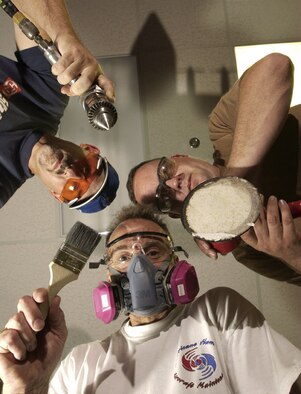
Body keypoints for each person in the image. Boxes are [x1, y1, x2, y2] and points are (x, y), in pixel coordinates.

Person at [0, 204, 301, 393]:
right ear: (108, 277)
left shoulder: (216, 314)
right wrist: (27, 388)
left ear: (175, 264)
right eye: (123, 256)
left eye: (153, 251)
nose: (138, 265)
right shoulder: (81, 364)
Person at [126, 52, 301, 283]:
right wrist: (292, 253)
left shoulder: (223, 128)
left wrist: (230, 186)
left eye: (165, 170)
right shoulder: (247, 248)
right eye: (163, 196)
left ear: (181, 156)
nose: (172, 182)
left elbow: (275, 66)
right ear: (178, 213)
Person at [0, 0, 119, 213]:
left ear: (56, 195)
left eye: (73, 189)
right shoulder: (49, 92)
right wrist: (63, 34)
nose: (71, 172)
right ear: (89, 149)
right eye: (86, 169)